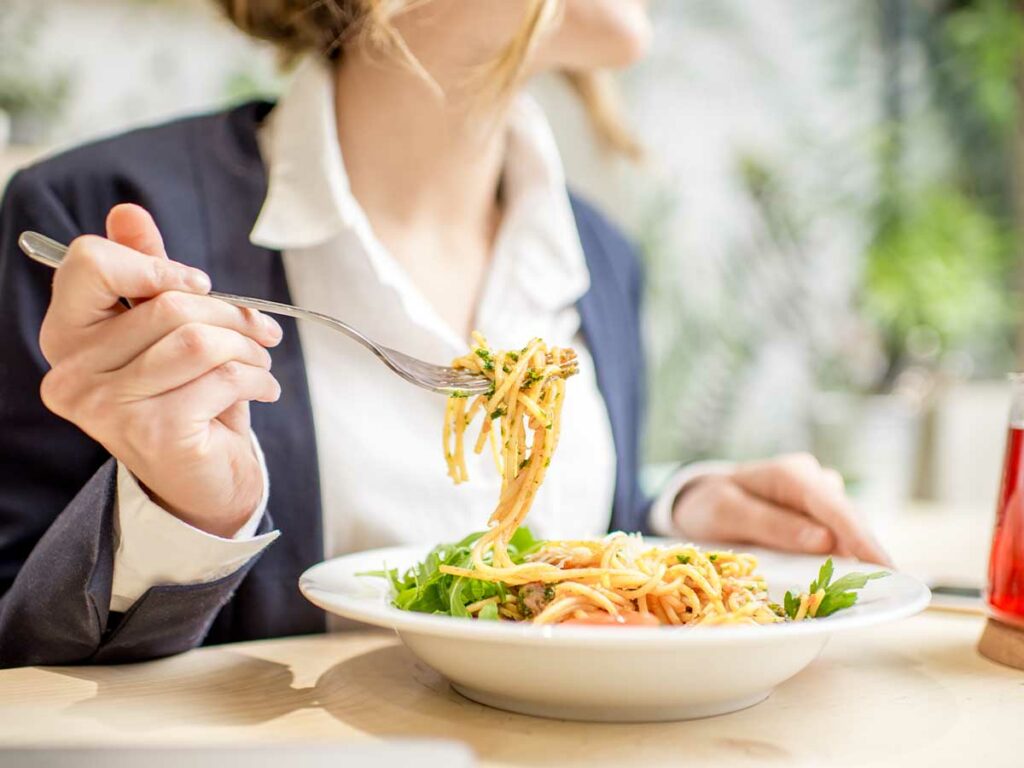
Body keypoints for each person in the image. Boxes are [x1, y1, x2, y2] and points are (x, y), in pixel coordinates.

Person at [0, 0, 888, 668]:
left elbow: (533, 569)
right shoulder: (94, 218)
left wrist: (672, 514)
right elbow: (25, 649)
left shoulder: (601, 255)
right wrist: (180, 510)